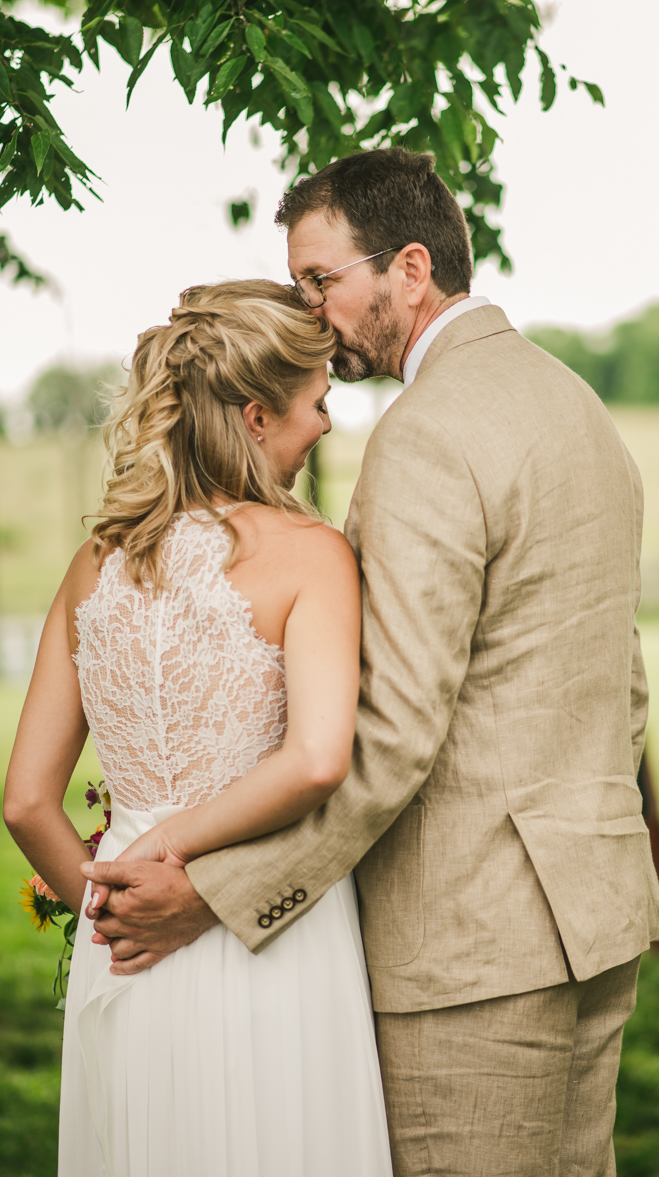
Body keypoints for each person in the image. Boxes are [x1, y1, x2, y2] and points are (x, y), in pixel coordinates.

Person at [83, 149, 659, 1176]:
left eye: (321, 282)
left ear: (406, 268)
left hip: (467, 947)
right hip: (593, 912)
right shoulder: (575, 404)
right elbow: (619, 687)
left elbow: (389, 734)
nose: (311, 315)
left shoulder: (425, 436)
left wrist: (216, 891)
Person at [2, 279, 393, 1177]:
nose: (327, 423)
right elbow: (318, 758)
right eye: (317, 401)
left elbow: (27, 801)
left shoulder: (93, 561)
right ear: (257, 417)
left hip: (127, 943)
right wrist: (182, 864)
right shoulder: (312, 554)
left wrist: (111, 912)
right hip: (274, 944)